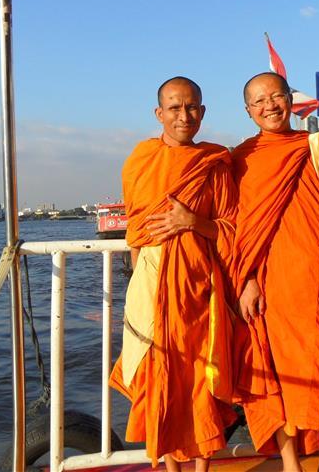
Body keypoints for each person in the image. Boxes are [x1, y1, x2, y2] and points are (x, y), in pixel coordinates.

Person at [230, 72, 319, 472]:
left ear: (291, 99)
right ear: (248, 111)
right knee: (270, 366)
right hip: (268, 283)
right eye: (259, 101)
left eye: (276, 96)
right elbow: (239, 226)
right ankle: (290, 461)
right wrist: (248, 279)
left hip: (318, 275)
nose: (269, 106)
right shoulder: (243, 158)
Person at [109, 77, 237, 471]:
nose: (185, 116)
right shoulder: (141, 159)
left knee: (201, 375)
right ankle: (169, 466)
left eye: (192, 107)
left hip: (199, 284)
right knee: (156, 371)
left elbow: (231, 227)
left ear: (203, 112)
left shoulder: (215, 161)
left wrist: (192, 221)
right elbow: (136, 230)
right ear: (159, 113)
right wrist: (138, 283)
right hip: (149, 280)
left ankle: (201, 468)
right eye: (175, 108)